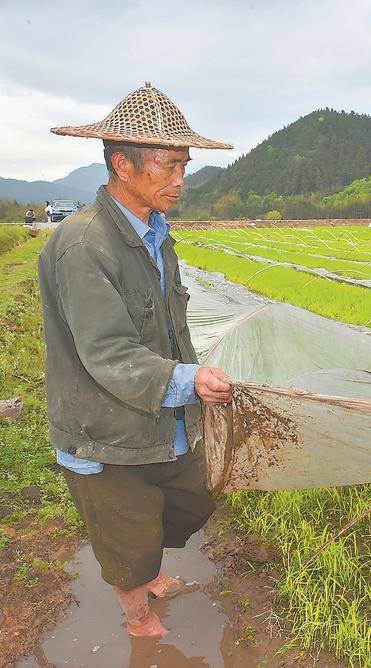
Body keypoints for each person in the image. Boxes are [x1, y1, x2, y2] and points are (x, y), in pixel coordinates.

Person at [39, 82, 234, 638]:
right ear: (122, 164)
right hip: (105, 430)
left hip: (158, 418)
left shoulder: (155, 235)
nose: (180, 180)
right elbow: (109, 353)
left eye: (184, 165)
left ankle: (147, 572)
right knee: (125, 535)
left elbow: (170, 330)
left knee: (192, 496)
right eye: (168, 165)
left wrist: (192, 384)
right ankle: (137, 617)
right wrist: (191, 380)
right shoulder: (85, 244)